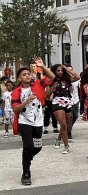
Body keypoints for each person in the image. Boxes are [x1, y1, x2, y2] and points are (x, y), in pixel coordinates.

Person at [11, 57, 55, 185]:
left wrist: (42, 66)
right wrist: (27, 100)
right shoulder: (16, 92)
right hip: (24, 121)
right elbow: (16, 109)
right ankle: (26, 173)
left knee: (38, 147)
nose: (27, 76)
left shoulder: (38, 84)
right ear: (19, 78)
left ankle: (27, 160)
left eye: (28, 74)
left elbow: (51, 77)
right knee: (28, 146)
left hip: (38, 121)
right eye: (24, 75)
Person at [51, 64, 80, 154]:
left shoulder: (67, 79)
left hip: (67, 102)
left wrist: (66, 69)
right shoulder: (51, 80)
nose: (60, 72)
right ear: (54, 71)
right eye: (58, 70)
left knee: (65, 125)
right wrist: (52, 89)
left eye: (61, 70)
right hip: (56, 102)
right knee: (63, 124)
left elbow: (77, 77)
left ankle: (59, 138)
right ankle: (66, 146)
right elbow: (47, 95)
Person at [67, 65, 81, 139]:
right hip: (67, 100)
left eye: (71, 70)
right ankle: (68, 131)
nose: (70, 72)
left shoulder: (76, 79)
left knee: (75, 116)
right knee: (70, 116)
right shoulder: (65, 79)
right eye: (68, 70)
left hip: (76, 99)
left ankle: (68, 128)